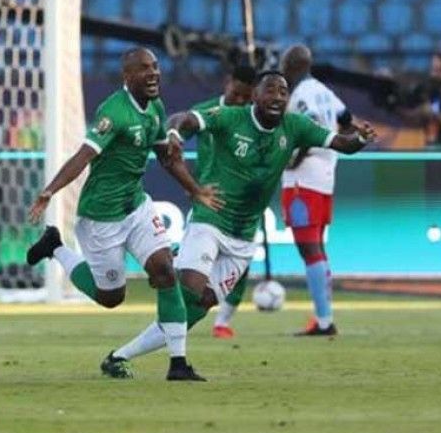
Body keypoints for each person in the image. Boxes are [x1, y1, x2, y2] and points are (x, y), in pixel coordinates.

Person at [103, 71, 376, 377]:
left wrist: (360, 138)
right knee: (190, 291)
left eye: (283, 92)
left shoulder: (295, 126)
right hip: (210, 220)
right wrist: (175, 136)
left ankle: (120, 356)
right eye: (270, 90)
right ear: (255, 96)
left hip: (244, 237)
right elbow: (184, 119)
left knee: (201, 305)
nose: (277, 97)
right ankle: (177, 364)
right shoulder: (231, 117)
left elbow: (342, 143)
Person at [27, 47, 204, 382]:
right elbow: (83, 156)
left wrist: (193, 189)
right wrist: (50, 191)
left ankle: (178, 364)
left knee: (165, 270)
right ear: (128, 76)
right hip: (101, 217)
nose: (153, 74)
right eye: (144, 69)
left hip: (136, 206)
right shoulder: (114, 112)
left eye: (155, 67)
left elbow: (164, 156)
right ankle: (56, 247)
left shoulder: (155, 107)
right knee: (111, 297)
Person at [281, 45, 355, 336]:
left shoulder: (300, 94)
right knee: (318, 248)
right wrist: (332, 149)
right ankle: (324, 317)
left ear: (293, 65)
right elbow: (346, 118)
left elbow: (308, 123)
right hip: (325, 174)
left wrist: (295, 158)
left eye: (285, 64)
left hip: (303, 179)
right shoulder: (324, 91)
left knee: (308, 248)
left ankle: (324, 322)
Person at [185, 63, 257, 340]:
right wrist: (190, 183)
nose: (239, 101)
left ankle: (222, 322)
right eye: (236, 93)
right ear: (227, 82)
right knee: (195, 268)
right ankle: (177, 316)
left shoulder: (254, 119)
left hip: (241, 204)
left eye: (246, 98)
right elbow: (173, 141)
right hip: (208, 200)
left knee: (240, 266)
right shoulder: (204, 111)